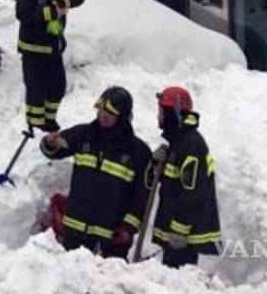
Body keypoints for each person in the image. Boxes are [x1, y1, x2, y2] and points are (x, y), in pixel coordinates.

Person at [40, 87, 152, 258]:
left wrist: (128, 228)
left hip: (112, 237)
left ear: (123, 116)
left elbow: (142, 196)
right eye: (101, 110)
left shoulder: (138, 151)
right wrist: (50, 143)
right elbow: (53, 150)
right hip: (76, 230)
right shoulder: (83, 135)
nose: (103, 115)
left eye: (110, 113)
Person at [151, 86, 221, 269]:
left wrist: (180, 229)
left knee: (178, 277)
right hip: (176, 231)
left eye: (161, 112)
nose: (158, 117)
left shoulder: (191, 144)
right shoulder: (179, 142)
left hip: (183, 236)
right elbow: (173, 183)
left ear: (173, 113)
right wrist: (159, 164)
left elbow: (193, 192)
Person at [16, 0, 84, 131]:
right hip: (33, 47)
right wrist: (53, 11)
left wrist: (65, 1)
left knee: (57, 87)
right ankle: (34, 125)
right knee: (36, 89)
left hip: (54, 45)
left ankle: (49, 120)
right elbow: (23, 13)